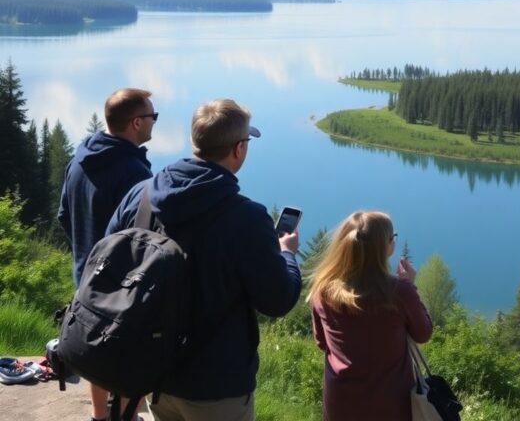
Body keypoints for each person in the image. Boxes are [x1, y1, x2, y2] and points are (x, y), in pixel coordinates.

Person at [107, 98, 301, 421]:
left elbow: (112, 259)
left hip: (154, 374)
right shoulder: (247, 218)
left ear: (196, 143)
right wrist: (288, 256)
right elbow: (278, 300)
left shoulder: (141, 195)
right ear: (238, 149)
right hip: (217, 387)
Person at [58, 87, 156, 421]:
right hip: (119, 280)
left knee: (94, 345)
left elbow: (62, 215)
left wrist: (83, 252)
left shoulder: (80, 159)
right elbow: (144, 235)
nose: (155, 122)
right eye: (152, 117)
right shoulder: (134, 173)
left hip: (84, 271)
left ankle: (100, 417)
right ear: (136, 123)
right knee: (131, 349)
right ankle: (126, 416)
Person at [308, 211, 433, 421]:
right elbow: (423, 333)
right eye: (393, 237)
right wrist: (411, 287)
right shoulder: (399, 291)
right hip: (391, 404)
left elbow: (322, 342)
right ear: (386, 246)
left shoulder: (322, 291)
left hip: (341, 402)